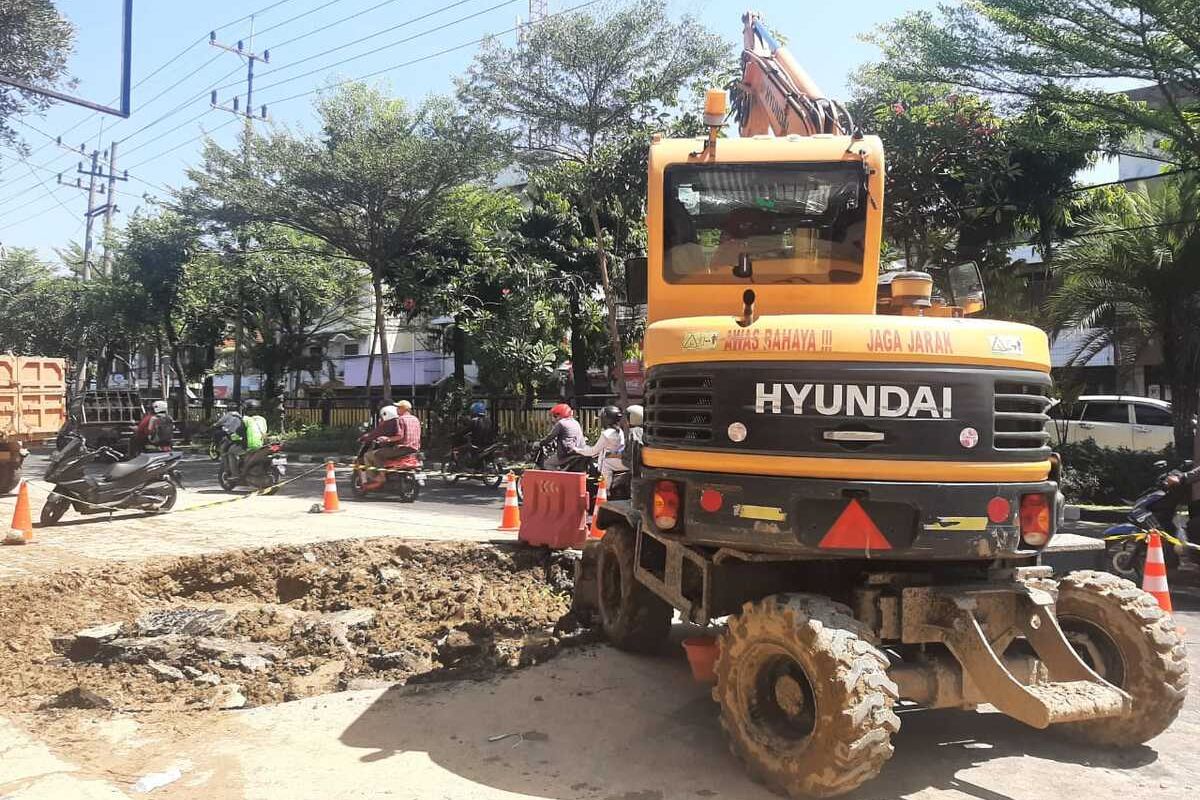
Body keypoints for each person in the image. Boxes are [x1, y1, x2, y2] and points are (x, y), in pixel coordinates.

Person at [361, 400, 422, 487]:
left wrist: (387, 439)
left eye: (398, 407)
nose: (396, 409)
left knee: (377, 455)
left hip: (401, 449)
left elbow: (399, 436)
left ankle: (381, 476)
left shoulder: (400, 419)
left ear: (403, 409)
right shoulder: (416, 419)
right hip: (414, 449)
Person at [573, 405, 626, 484]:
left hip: (615, 459)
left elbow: (593, 451)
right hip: (619, 457)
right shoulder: (619, 431)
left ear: (607, 419)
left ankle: (606, 489)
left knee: (605, 463)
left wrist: (577, 450)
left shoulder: (607, 434)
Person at [537, 403, 585, 469]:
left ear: (560, 415)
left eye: (555, 416)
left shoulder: (561, 423)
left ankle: (558, 478)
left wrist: (540, 443)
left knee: (547, 464)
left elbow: (550, 437)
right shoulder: (575, 422)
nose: (553, 419)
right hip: (579, 451)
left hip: (567, 453)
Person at [623, 403, 644, 469]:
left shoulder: (634, 432)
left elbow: (629, 453)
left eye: (627, 418)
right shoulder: (643, 430)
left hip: (634, 466)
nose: (625, 420)